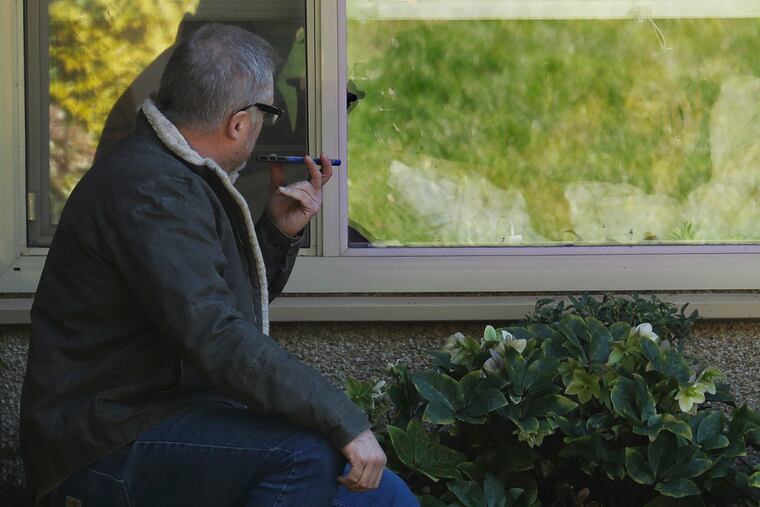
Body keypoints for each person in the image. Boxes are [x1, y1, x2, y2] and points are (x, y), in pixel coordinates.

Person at [20, 23, 417, 507]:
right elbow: (216, 334)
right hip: (102, 444)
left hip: (159, 416)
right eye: (268, 112)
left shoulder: (177, 175)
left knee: (384, 497)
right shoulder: (155, 190)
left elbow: (215, 311)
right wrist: (344, 419)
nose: (266, 125)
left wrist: (276, 233)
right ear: (239, 122)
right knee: (306, 457)